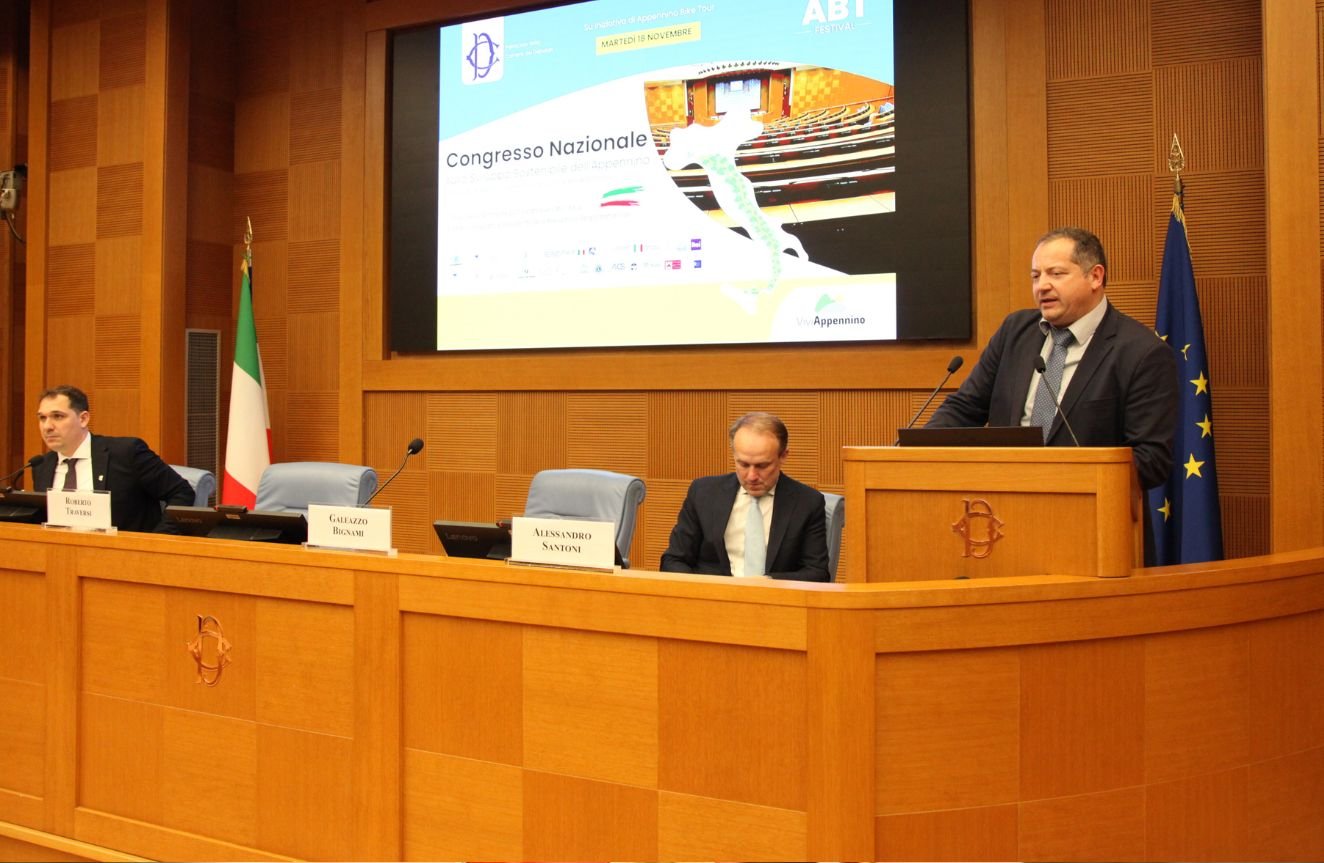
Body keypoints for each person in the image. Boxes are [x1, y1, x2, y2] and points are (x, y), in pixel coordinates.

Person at [927, 227, 1178, 491]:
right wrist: (913, 452)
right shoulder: (1014, 332)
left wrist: (1059, 479)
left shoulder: (1142, 352)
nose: (1042, 286)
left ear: (1095, 276)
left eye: (1056, 274)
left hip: (1088, 507)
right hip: (1004, 502)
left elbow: (1151, 459)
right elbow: (965, 408)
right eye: (1036, 276)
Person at [660, 411, 830, 582]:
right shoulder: (703, 493)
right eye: (743, 464)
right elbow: (673, 560)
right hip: (712, 594)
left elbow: (817, 573)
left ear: (783, 456)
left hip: (773, 596)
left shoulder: (807, 502)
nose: (751, 476)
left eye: (762, 466)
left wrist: (769, 583)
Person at [32, 385, 195, 533]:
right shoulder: (42, 465)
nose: (47, 426)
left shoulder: (126, 453)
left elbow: (181, 493)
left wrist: (157, 541)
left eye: (57, 416)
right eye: (42, 418)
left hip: (123, 552)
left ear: (83, 419)